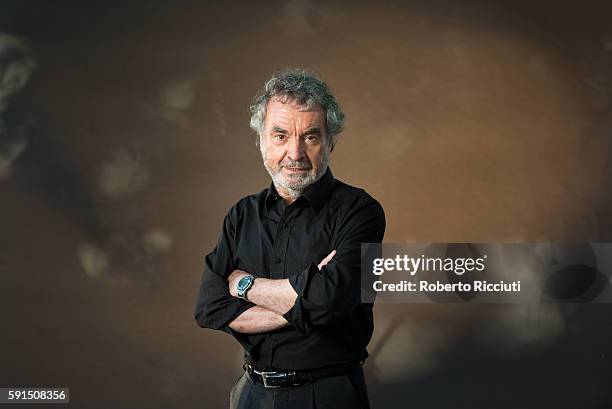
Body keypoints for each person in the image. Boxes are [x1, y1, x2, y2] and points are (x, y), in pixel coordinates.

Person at [194, 69, 385, 409]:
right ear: (261, 140)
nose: (295, 153)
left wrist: (243, 285)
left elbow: (331, 303)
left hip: (326, 394)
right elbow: (209, 308)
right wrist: (306, 300)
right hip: (251, 393)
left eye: (310, 137)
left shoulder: (361, 211)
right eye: (280, 136)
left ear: (330, 141)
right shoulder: (242, 214)